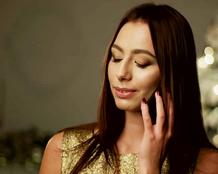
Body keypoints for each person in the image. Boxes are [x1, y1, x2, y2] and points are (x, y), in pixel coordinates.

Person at [39, 3, 218, 174]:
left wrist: (150, 167)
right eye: (116, 58)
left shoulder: (209, 165)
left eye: (141, 63)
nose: (122, 73)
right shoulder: (63, 149)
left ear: (173, 72)